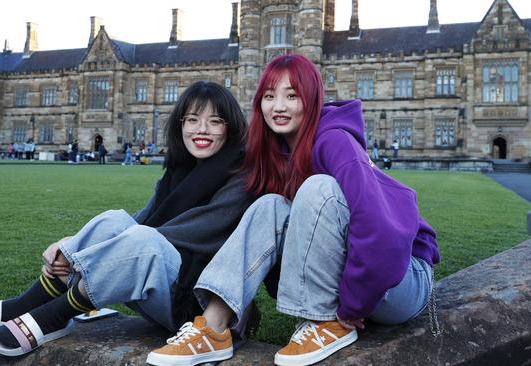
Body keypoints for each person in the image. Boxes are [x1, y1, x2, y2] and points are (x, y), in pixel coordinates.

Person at [160, 54, 441, 366]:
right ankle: (213, 328)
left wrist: (352, 305)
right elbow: (271, 248)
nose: (278, 106)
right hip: (350, 275)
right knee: (269, 205)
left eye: (291, 95)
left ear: (311, 97)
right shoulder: (274, 153)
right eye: (269, 96)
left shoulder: (334, 140)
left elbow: (382, 231)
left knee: (318, 188)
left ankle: (325, 323)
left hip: (402, 278)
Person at [0, 81, 255, 360]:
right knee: (115, 220)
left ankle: (54, 316)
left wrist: (98, 251)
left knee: (144, 240)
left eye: (214, 121)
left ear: (230, 128)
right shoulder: (180, 170)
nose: (202, 129)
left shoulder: (242, 175)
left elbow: (193, 232)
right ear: (180, 125)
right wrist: (70, 243)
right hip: (162, 287)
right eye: (192, 119)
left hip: (199, 307)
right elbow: (137, 220)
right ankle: (29, 302)